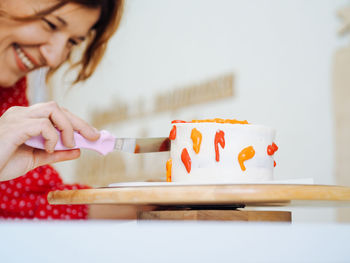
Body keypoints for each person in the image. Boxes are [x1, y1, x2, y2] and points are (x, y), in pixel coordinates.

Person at [0, 0, 124, 219]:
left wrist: (153, 202)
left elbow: (25, 199)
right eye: (50, 24)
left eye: (72, 42)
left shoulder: (8, 86)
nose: (54, 57)